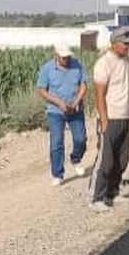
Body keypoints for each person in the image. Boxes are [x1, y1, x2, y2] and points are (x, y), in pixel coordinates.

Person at [88, 27, 129, 212]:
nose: (128, 48)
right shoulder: (104, 63)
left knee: (122, 159)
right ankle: (96, 197)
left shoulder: (126, 61)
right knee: (106, 160)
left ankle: (113, 193)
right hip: (110, 117)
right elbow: (99, 94)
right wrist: (103, 120)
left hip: (124, 116)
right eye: (126, 44)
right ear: (115, 43)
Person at [36, 44, 89, 186]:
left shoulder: (77, 65)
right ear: (56, 55)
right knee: (56, 142)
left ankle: (76, 158)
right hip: (56, 111)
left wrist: (78, 100)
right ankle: (58, 173)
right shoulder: (47, 69)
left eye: (68, 56)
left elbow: (83, 85)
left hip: (75, 109)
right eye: (64, 57)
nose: (66, 59)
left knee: (80, 139)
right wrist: (58, 103)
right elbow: (41, 90)